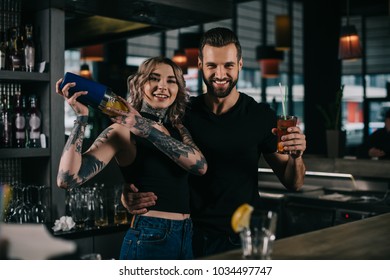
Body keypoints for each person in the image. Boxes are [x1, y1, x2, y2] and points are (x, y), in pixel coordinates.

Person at [122, 27, 307, 258]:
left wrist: (297, 157)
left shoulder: (260, 116)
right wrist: (125, 195)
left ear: (240, 64)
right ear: (200, 64)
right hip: (188, 237)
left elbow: (294, 183)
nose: (220, 74)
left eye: (228, 65)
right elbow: (148, 165)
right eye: (212, 66)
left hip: (241, 238)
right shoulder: (180, 114)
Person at [55, 56, 207, 260]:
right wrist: (81, 118)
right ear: (139, 84)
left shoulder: (179, 128)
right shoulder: (121, 131)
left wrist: (142, 125)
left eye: (171, 81)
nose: (162, 86)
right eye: (154, 79)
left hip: (187, 235)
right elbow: (67, 179)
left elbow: (200, 166)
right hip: (150, 235)